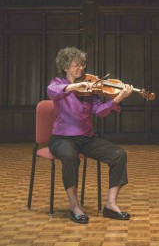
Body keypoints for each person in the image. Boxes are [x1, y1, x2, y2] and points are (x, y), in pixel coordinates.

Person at [47, 46, 133, 224]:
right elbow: (52, 90)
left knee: (118, 155)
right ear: (66, 67)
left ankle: (111, 204)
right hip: (62, 138)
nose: (81, 69)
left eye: (82, 65)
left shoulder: (91, 88)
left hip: (86, 138)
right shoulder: (58, 84)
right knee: (70, 157)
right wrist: (74, 86)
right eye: (76, 65)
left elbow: (100, 111)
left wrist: (118, 99)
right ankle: (74, 206)